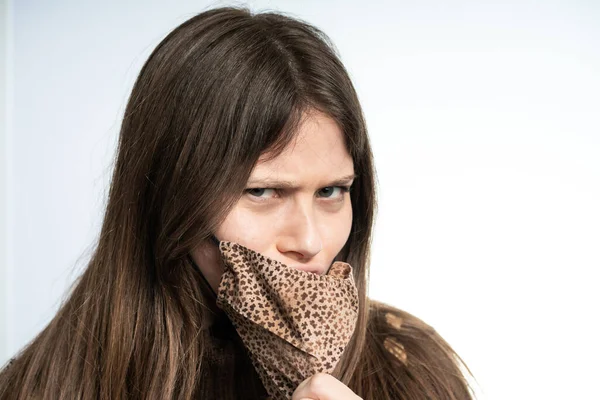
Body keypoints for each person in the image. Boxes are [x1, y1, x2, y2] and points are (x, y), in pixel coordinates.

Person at [0, 6, 474, 399]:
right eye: (262, 192)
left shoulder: (409, 373)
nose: (309, 242)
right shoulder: (40, 387)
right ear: (170, 199)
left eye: (331, 191)